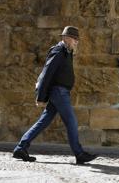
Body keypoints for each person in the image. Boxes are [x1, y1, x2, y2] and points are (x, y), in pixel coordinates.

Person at [13, 26, 97, 165]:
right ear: (66, 38)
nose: (77, 42)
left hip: (62, 92)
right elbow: (47, 74)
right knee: (71, 122)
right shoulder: (58, 51)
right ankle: (79, 153)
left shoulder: (67, 52)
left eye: (77, 39)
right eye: (74, 39)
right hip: (58, 92)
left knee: (43, 122)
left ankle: (21, 148)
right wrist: (40, 97)